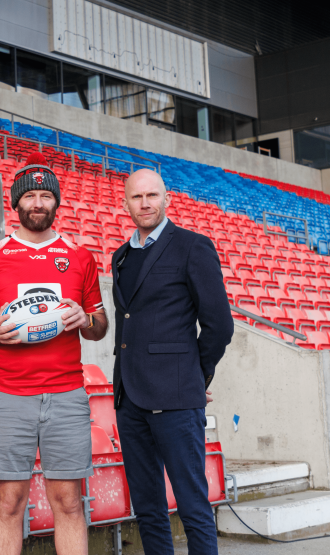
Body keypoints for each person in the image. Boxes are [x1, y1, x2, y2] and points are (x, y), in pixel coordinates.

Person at [0, 152, 109, 555]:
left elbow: (100, 327)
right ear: (16, 203)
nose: (38, 203)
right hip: (8, 395)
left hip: (66, 394)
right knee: (8, 503)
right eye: (29, 196)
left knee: (67, 502)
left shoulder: (79, 257)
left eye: (46, 195)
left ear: (56, 202)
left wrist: (85, 319)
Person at [111, 169, 233, 555]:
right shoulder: (121, 256)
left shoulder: (193, 246)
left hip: (177, 398)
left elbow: (219, 324)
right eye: (136, 197)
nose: (144, 203)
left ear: (167, 199)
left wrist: (196, 376)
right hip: (129, 399)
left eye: (152, 195)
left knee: (193, 504)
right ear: (126, 203)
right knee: (147, 508)